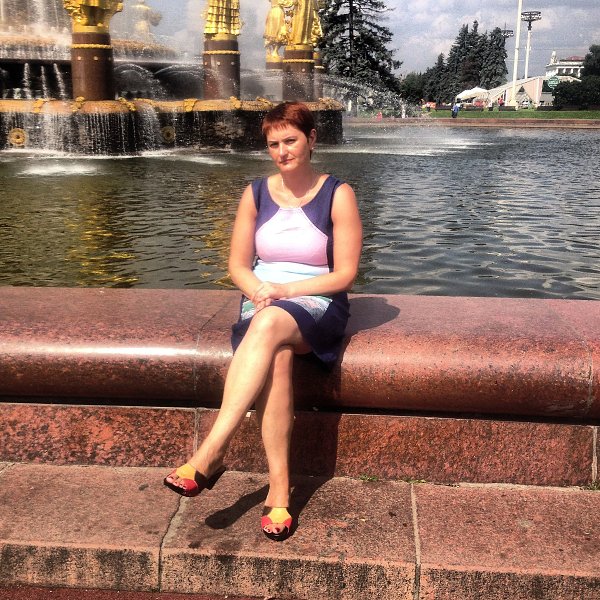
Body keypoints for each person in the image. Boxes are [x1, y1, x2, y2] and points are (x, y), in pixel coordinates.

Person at [164, 101, 363, 542]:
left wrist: (285, 291)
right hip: (263, 299)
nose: (282, 152)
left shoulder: (338, 193)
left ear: (312, 140)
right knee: (277, 357)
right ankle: (278, 490)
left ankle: (212, 450)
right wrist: (257, 289)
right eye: (273, 144)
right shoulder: (255, 193)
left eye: (290, 141)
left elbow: (346, 274)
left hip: (317, 301)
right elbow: (237, 265)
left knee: (270, 324)